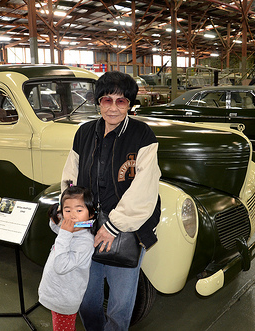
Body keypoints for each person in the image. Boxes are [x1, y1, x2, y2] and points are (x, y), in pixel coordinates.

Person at [61, 71, 161, 330]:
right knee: (86, 299)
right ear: (98, 102)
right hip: (85, 229)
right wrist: (69, 214)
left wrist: (114, 226)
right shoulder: (84, 133)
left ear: (129, 104)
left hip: (126, 231)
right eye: (107, 100)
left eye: (121, 101)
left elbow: (145, 187)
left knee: (120, 304)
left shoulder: (143, 135)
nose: (114, 108)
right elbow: (70, 178)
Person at [38, 184, 96, 331]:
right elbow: (56, 227)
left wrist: (64, 233)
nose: (72, 215)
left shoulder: (85, 243)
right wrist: (56, 216)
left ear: (91, 214)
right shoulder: (72, 229)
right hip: (57, 293)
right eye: (67, 210)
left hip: (64, 300)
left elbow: (61, 266)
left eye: (79, 210)